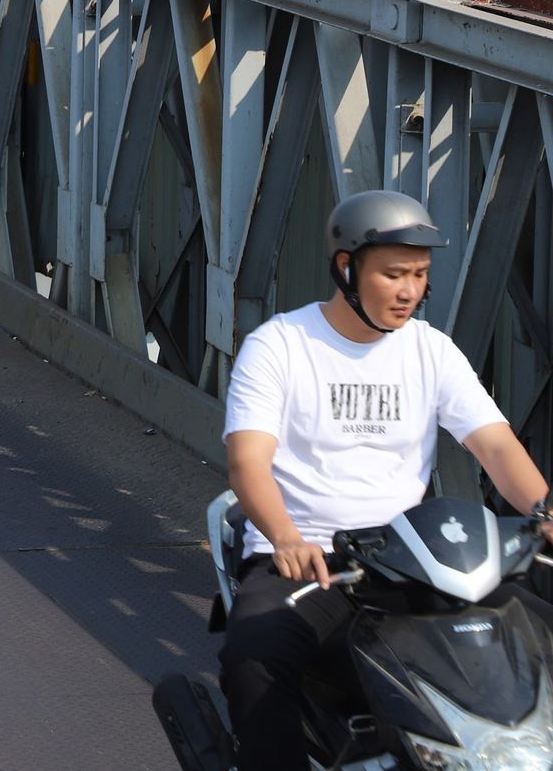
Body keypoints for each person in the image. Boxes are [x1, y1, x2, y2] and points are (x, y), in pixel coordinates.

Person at [219, 190, 553, 771]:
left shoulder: (431, 350)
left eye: (421, 275)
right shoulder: (280, 345)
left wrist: (547, 509)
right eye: (394, 274)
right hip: (315, 562)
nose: (409, 291)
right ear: (347, 268)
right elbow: (248, 463)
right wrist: (286, 537)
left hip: (416, 562)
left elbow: (495, 445)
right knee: (255, 656)